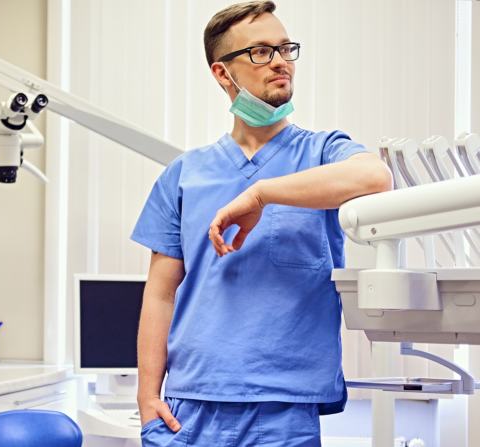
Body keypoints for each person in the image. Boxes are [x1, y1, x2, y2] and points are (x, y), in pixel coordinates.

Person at [131, 2, 393, 446]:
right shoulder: (185, 174)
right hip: (189, 406)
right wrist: (146, 395)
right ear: (222, 73)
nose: (280, 61)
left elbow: (375, 177)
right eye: (260, 52)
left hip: (284, 407)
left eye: (285, 48)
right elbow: (159, 292)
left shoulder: (323, 152)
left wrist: (261, 193)